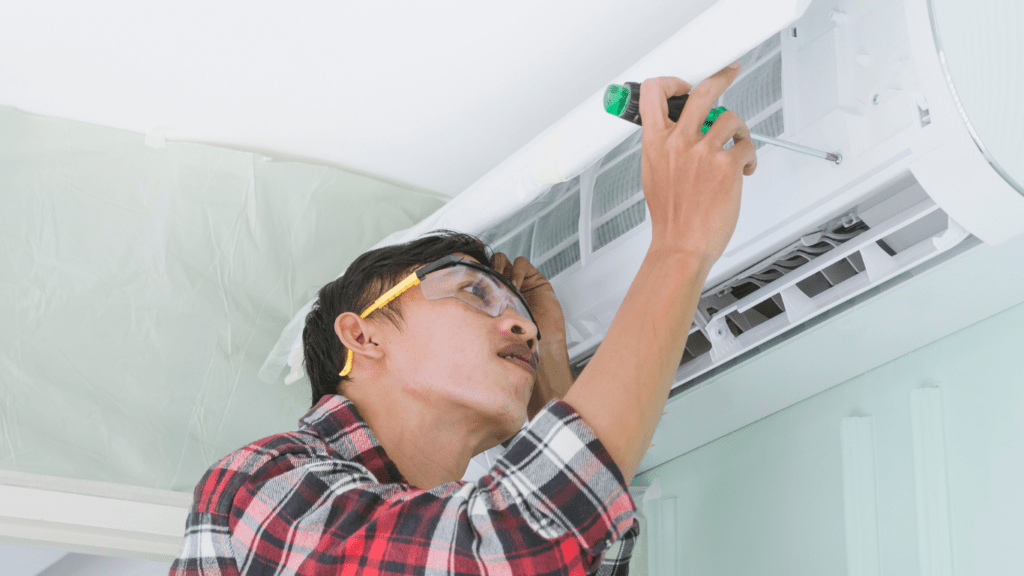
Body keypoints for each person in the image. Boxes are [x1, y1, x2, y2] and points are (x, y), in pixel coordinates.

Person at [168, 62, 757, 576]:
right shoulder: (254, 486)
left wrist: (552, 386)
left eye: (521, 313)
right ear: (362, 334)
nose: (523, 326)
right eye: (474, 291)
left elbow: (560, 547)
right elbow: (516, 547)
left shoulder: (433, 521)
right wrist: (679, 246)